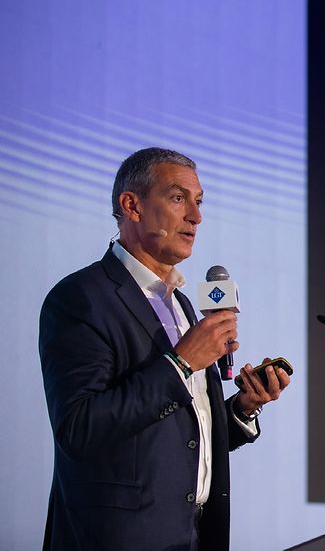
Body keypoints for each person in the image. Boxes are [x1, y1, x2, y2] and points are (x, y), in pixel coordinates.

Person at [39, 147, 290, 551]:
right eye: (178, 198)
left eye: (199, 201)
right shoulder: (81, 297)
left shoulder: (182, 305)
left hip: (193, 536)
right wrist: (183, 361)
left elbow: (176, 435)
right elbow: (80, 428)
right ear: (132, 205)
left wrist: (242, 408)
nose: (196, 215)